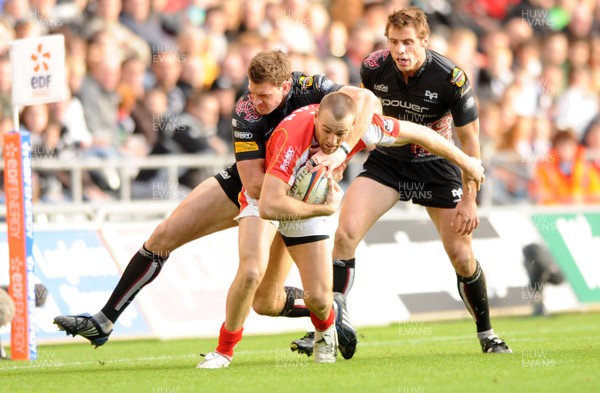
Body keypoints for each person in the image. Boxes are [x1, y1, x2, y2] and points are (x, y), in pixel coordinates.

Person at [53, 50, 379, 354]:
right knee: (163, 237)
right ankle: (105, 320)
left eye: (264, 95)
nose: (256, 100)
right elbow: (253, 184)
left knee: (265, 300)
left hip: (292, 194)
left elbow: (366, 100)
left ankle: (301, 317)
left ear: (285, 87)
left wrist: (336, 154)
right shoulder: (246, 111)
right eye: (252, 91)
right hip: (260, 187)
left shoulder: (311, 88)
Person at [289, 7, 512, 355]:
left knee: (462, 256)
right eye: (394, 42)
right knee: (345, 234)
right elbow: (360, 119)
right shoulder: (374, 67)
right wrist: (338, 160)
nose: (401, 50)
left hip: (436, 166)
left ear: (424, 40)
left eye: (408, 42)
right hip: (389, 164)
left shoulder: (451, 78)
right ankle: (327, 326)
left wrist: (470, 199)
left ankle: (487, 333)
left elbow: (470, 145)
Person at [239, 92, 486, 365]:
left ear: (354, 126)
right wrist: (324, 209)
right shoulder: (294, 135)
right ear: (316, 116)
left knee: (312, 300)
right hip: (268, 195)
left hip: (304, 205)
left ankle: (326, 328)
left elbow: (421, 133)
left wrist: (467, 162)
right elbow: (268, 205)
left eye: (340, 133)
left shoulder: (364, 129)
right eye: (327, 131)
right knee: (262, 300)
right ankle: (224, 351)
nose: (332, 141)